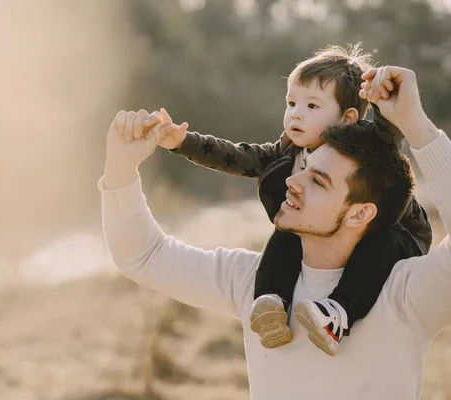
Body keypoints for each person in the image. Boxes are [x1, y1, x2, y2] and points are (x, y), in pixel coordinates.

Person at [99, 65, 451, 399]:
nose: (291, 182)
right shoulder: (254, 281)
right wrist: (120, 168)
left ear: (360, 212)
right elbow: (142, 256)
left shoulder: (406, 294)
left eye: (317, 180)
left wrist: (417, 126)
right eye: (304, 167)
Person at [146, 45, 432, 356]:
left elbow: (388, 136)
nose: (296, 113)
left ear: (347, 118)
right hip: (335, 237)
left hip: (395, 234)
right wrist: (182, 142)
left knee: (380, 246)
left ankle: (338, 314)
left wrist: (382, 101)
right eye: (292, 102)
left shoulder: (367, 146)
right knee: (285, 234)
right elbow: (237, 156)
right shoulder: (289, 152)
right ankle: (271, 303)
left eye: (312, 105)